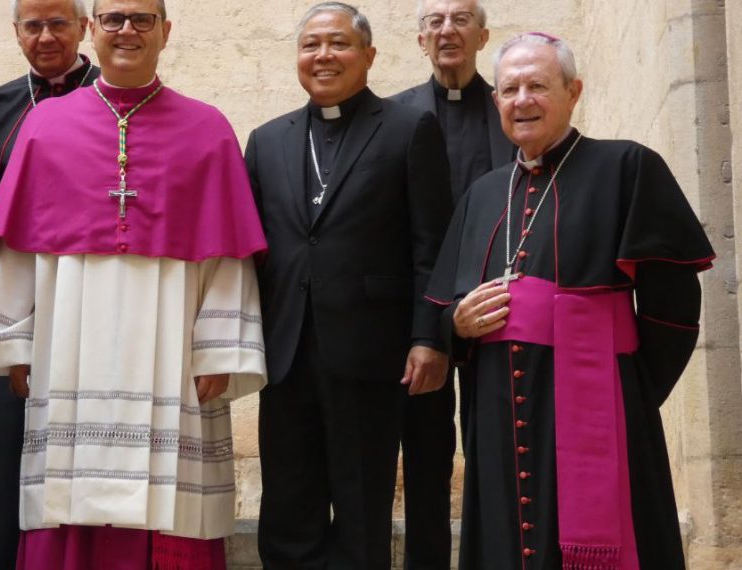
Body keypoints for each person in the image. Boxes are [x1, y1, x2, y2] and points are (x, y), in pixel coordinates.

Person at [0, 0, 268, 567]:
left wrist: (219, 350)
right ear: (93, 30)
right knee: (67, 493)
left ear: (166, 31)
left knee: (171, 501)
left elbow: (229, 252)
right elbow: (16, 245)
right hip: (69, 346)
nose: (127, 30)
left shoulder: (207, 129)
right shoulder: (45, 126)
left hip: (172, 349)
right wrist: (15, 341)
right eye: (113, 18)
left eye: (142, 19)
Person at [424, 33, 714, 569]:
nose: (521, 100)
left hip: (596, 399)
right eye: (510, 88)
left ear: (573, 91)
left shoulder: (627, 167)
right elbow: (443, 306)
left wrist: (626, 388)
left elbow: (673, 307)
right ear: (497, 103)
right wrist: (457, 325)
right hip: (496, 411)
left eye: (538, 85)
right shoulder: (481, 195)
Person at [246, 3, 452, 568]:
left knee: (362, 507)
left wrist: (428, 336)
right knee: (288, 503)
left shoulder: (410, 127)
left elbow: (431, 244)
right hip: (286, 350)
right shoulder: (266, 141)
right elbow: (254, 252)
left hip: (371, 352)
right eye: (311, 45)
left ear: (368, 55)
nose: (323, 56)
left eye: (337, 43)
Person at [0, 0, 99, 567]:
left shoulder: (117, 100)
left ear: (83, 29)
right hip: (1, 290)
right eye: (32, 26)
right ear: (16, 33)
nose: (45, 37)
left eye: (58, 23)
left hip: (88, 292)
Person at [389, 1, 514, 566]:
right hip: (420, 315)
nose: (447, 31)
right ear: (419, 40)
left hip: (501, 312)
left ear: (483, 36)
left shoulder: (515, 109)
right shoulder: (392, 117)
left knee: (499, 452)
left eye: (461, 20)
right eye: (434, 22)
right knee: (425, 457)